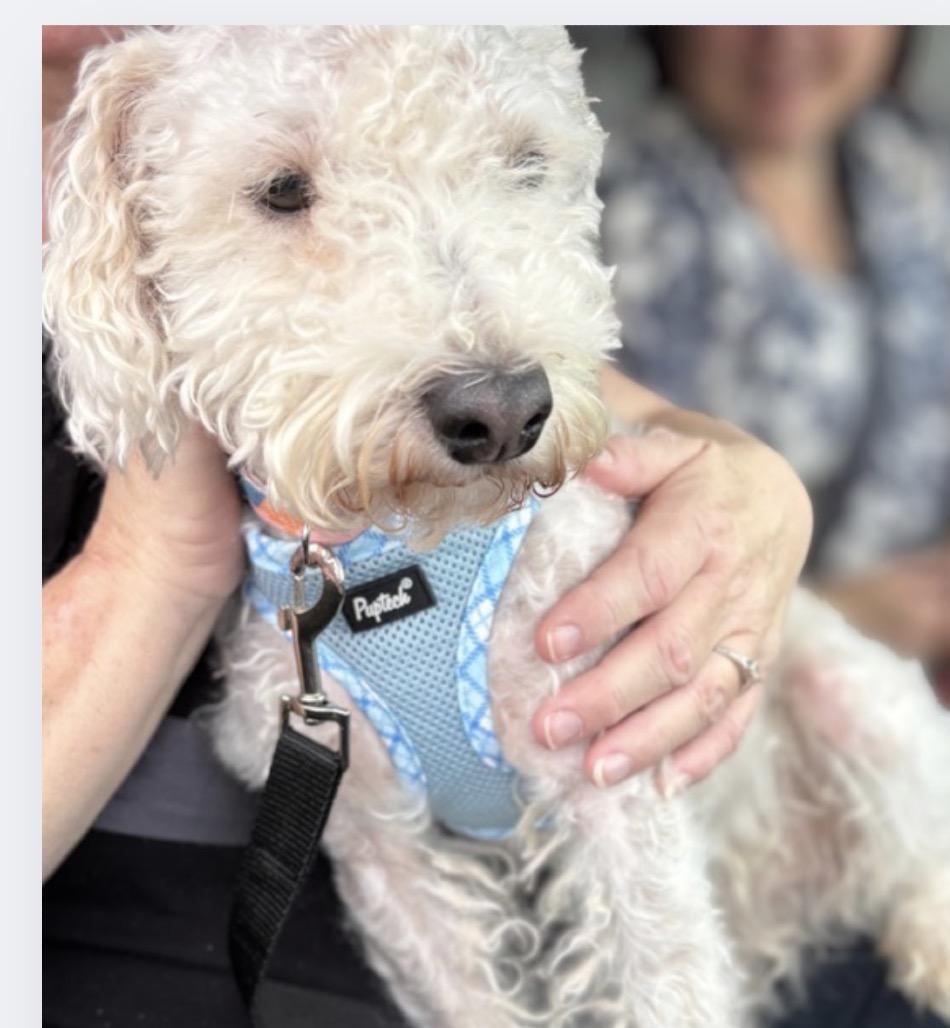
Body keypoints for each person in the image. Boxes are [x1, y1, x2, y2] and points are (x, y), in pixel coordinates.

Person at [42, 27, 812, 1026]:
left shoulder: (299, 46)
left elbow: (573, 406)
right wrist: (159, 554)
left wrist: (747, 478)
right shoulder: (162, 112)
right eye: (285, 194)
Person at [600, 26, 950, 723]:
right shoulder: (614, 211)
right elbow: (605, 533)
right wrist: (827, 621)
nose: (782, 36)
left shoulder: (915, 163)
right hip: (760, 722)